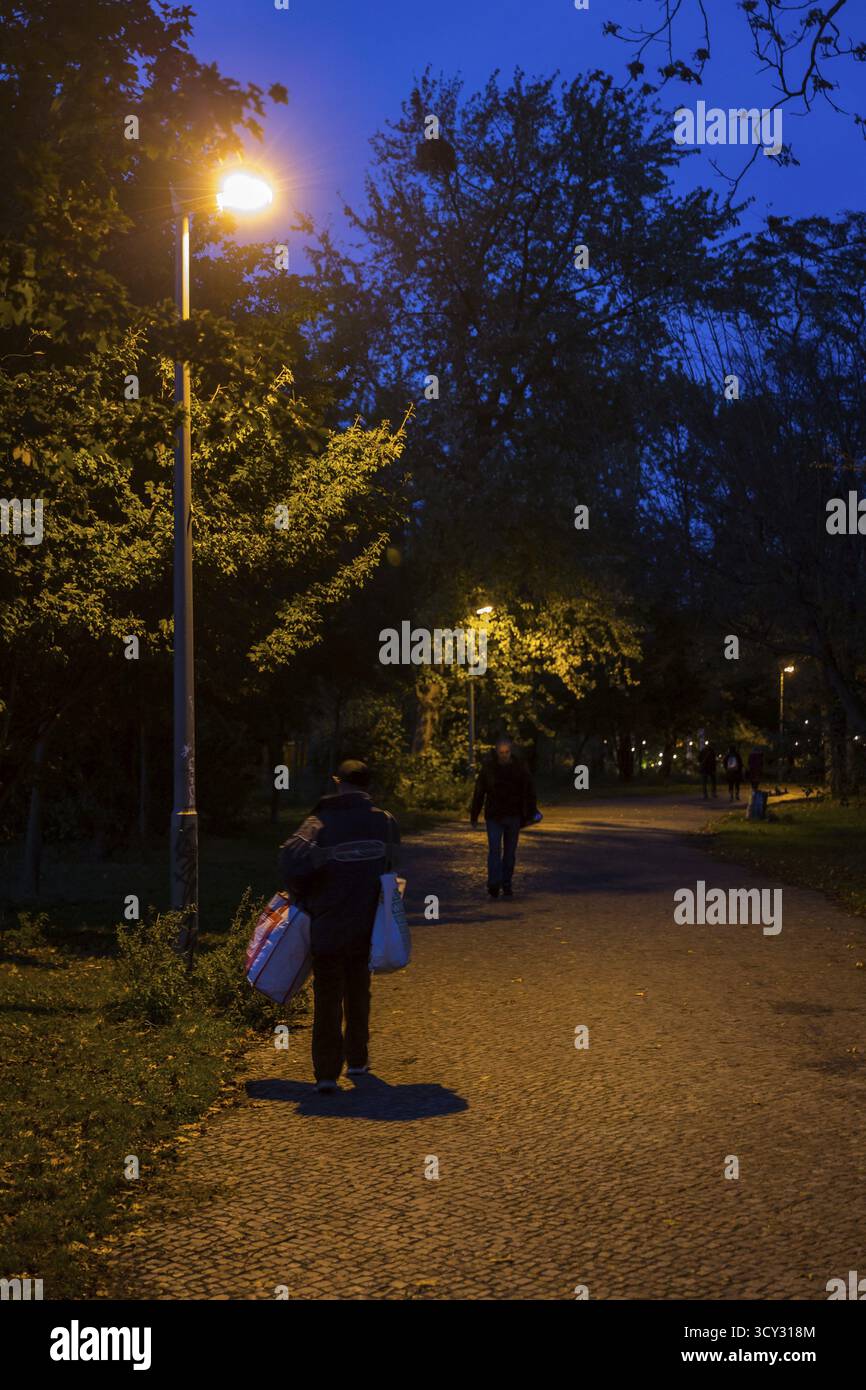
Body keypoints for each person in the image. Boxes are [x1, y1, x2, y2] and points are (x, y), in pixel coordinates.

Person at [279, 759, 399, 1095]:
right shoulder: (386, 823)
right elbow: (390, 866)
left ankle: (327, 1074)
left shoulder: (319, 821)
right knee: (359, 990)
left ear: (339, 782)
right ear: (367, 786)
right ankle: (358, 1061)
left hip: (328, 923)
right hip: (367, 925)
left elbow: (290, 860)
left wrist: (304, 895)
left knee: (328, 996)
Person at [470, 736, 538, 899]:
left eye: (506, 752)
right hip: (494, 815)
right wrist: (475, 813)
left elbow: (529, 791)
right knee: (494, 850)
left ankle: (506, 882)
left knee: (509, 852)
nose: (504, 755)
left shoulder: (520, 767)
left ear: (510, 751)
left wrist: (530, 812)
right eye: (501, 752)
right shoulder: (489, 768)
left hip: (513, 815)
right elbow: (479, 792)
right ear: (496, 752)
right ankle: (494, 883)